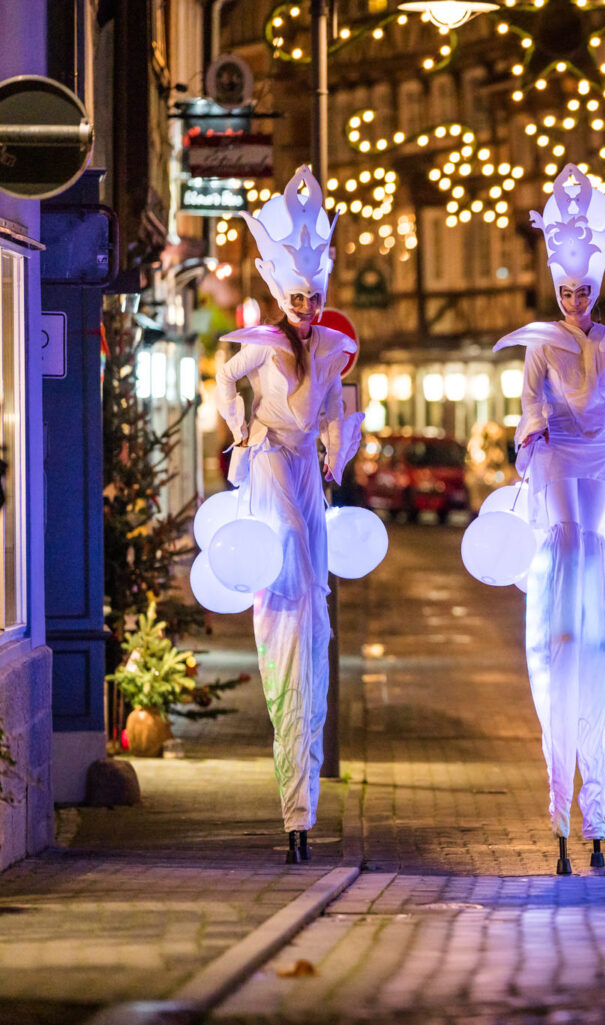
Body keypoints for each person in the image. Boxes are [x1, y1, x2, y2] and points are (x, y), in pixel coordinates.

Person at [494, 165, 605, 875]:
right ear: (557, 290)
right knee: (565, 542)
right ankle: (560, 615)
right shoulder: (541, 341)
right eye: (567, 290)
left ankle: (595, 797)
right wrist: (534, 434)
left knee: (588, 544)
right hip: (558, 458)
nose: (575, 300)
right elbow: (530, 402)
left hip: (599, 456)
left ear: (596, 290)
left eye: (584, 291)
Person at [215, 166, 365, 864]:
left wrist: (339, 453)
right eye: (299, 296)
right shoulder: (266, 344)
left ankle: (303, 801)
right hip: (273, 463)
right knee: (289, 586)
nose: (308, 306)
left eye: (317, 295)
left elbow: (336, 413)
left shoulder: (332, 349)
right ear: (282, 292)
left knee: (314, 595)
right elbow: (225, 377)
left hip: (308, 469)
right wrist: (241, 430)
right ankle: (292, 797)